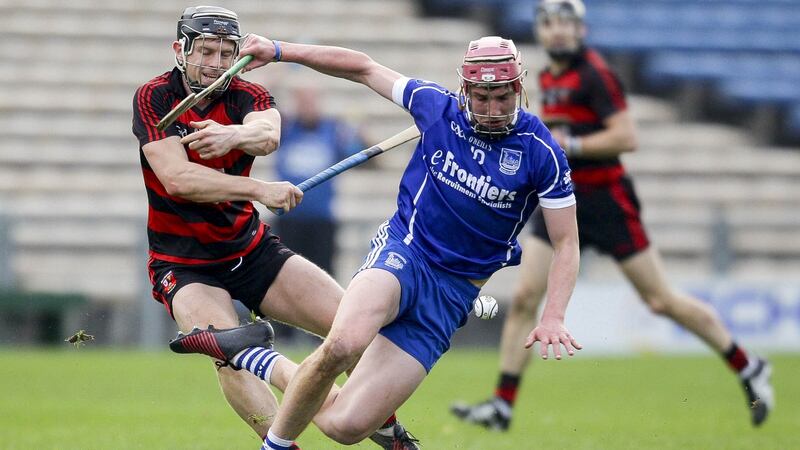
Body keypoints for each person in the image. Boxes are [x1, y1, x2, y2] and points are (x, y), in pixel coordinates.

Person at [192, 33, 582, 449]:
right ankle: (275, 446)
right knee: (344, 343)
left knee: (344, 427)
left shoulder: (542, 152)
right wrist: (281, 50)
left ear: (518, 89)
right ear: (465, 89)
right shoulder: (436, 105)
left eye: (501, 97)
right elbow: (362, 68)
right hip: (405, 253)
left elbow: (566, 243)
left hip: (452, 295)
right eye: (481, 97)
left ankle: (255, 355)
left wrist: (554, 315)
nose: (490, 110)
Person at [450, 0, 774, 431]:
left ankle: (748, 364)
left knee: (660, 300)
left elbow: (627, 136)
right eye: (549, 24)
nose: (558, 32)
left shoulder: (595, 74)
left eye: (567, 23)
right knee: (527, 296)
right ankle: (503, 405)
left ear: (581, 30)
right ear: (540, 32)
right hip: (559, 199)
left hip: (605, 201)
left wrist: (574, 146)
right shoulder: (548, 75)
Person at [132, 6, 417, 449]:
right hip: (183, 263)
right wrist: (259, 189)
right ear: (179, 50)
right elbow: (178, 179)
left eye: (226, 53)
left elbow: (268, 134)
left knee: (351, 329)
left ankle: (385, 428)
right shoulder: (154, 97)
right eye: (205, 51)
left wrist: (233, 137)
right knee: (229, 354)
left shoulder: (250, 94)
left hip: (250, 249)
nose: (215, 63)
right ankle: (284, 441)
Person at [274, 86, 365, 276]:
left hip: (322, 220)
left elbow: (362, 156)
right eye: (303, 101)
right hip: (289, 217)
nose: (307, 107)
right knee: (284, 274)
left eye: (311, 101)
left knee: (323, 274)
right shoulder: (286, 128)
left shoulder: (333, 131)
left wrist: (360, 130)